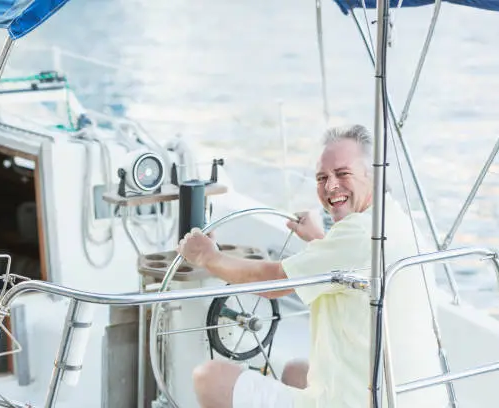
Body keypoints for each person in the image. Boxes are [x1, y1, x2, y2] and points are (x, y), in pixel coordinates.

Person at [178, 124, 448, 408]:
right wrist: (319, 240)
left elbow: (275, 282)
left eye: (342, 173)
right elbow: (352, 265)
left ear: (373, 174)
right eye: (322, 177)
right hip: (409, 396)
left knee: (209, 377)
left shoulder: (360, 232)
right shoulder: (396, 220)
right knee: (296, 371)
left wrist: (208, 257)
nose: (330, 186)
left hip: (363, 401)